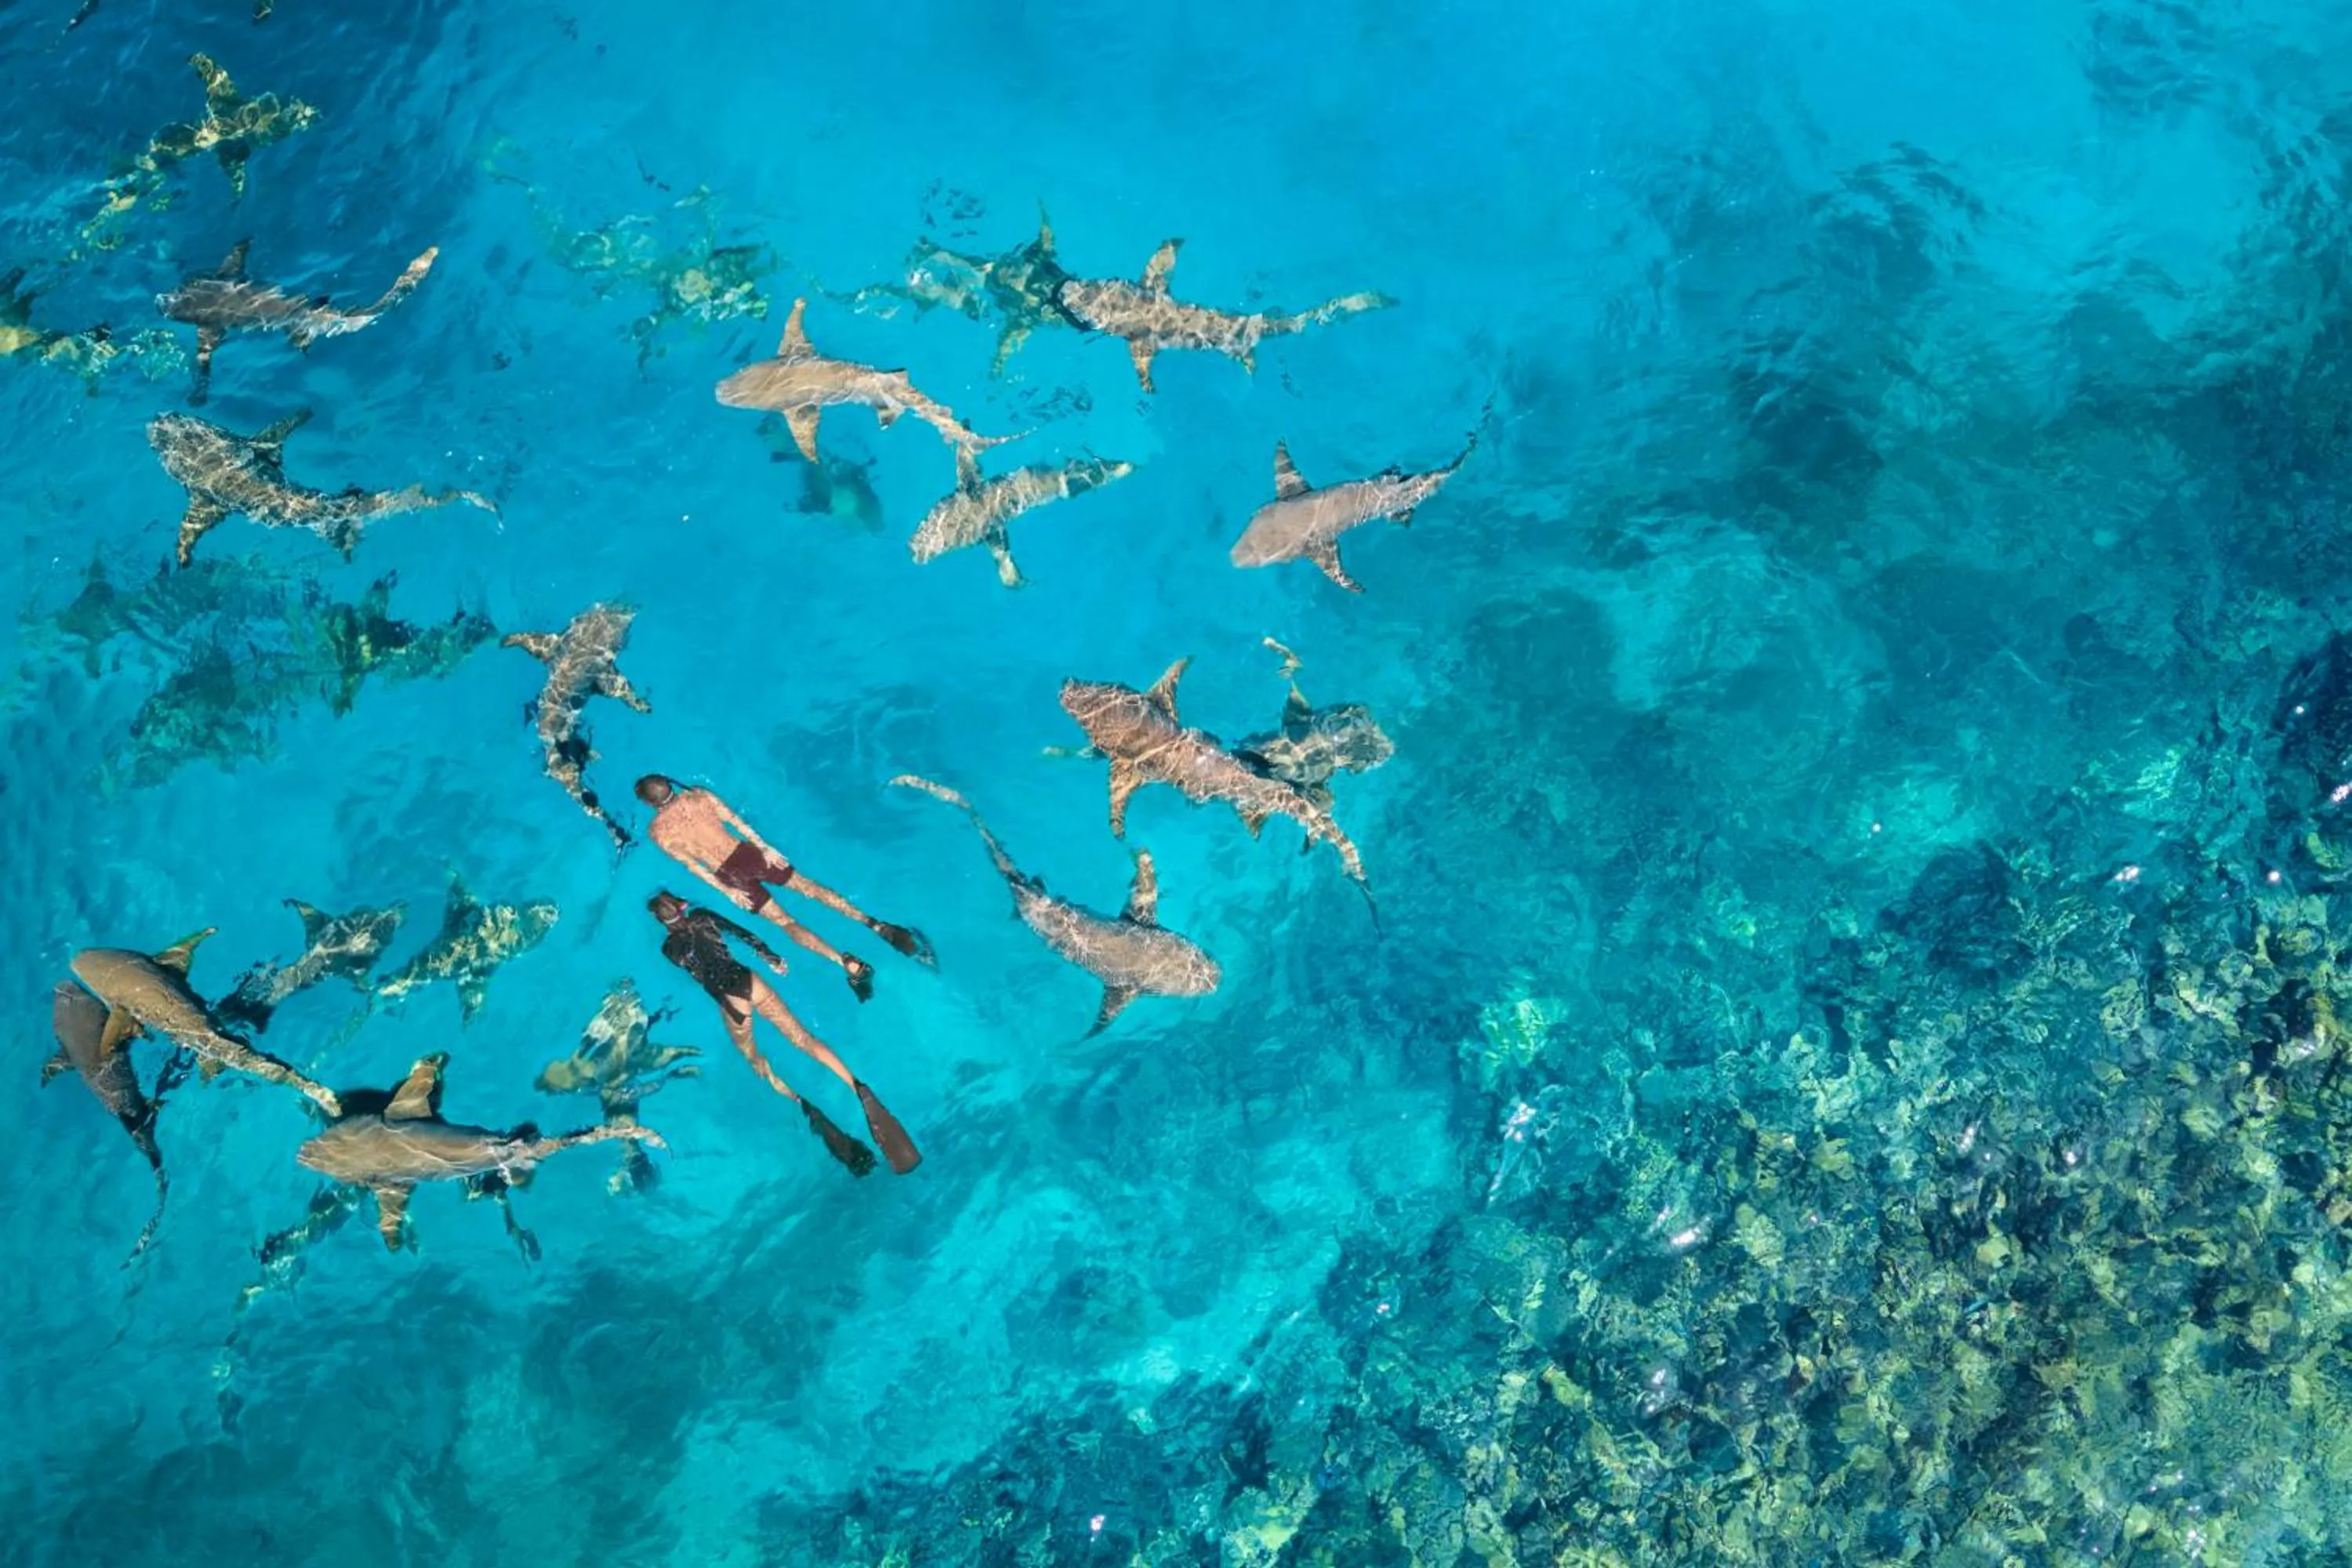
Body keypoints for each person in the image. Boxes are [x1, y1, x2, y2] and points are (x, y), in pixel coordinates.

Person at [647, 891, 920, 1176]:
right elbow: (743, 934)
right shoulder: (703, 917)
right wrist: (772, 957)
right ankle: (857, 1086)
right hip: (749, 979)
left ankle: (802, 1104)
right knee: (803, 1039)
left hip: (730, 1000)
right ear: (683, 904)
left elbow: (696, 968)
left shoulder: (669, 950)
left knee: (755, 1061)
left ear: (659, 920)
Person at [637, 774, 932, 1002]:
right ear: (668, 785)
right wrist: (766, 849)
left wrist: (728, 892)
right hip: (749, 854)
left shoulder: (658, 832)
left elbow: (693, 866)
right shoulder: (699, 796)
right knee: (810, 888)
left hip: (729, 876)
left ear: (650, 803)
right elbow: (737, 822)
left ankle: (845, 962)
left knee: (785, 922)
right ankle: (875, 925)